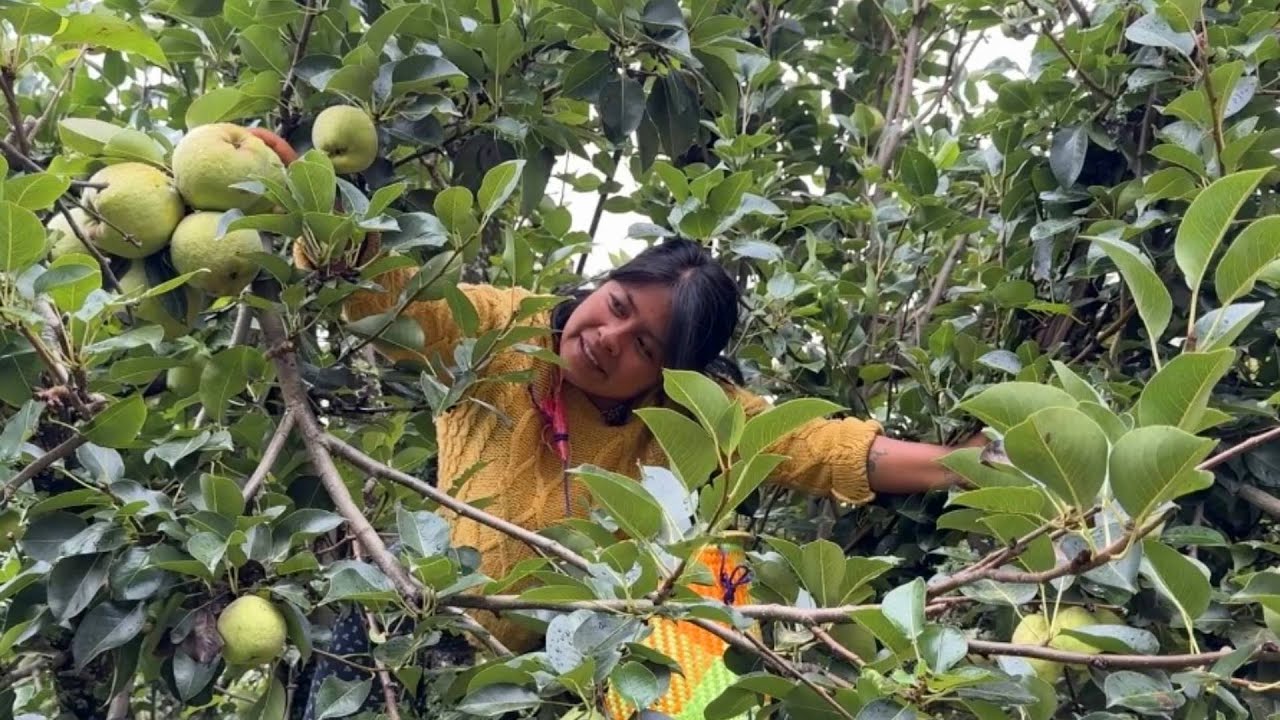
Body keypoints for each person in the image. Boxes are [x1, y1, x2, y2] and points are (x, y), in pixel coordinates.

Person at [295, 237, 980, 718]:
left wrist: (964, 465)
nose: (607, 340)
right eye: (617, 306)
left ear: (668, 371)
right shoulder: (507, 330)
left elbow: (818, 447)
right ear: (603, 285)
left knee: (716, 573)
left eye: (643, 347)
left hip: (550, 675)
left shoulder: (688, 415)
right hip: (421, 624)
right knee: (361, 581)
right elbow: (392, 305)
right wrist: (313, 207)